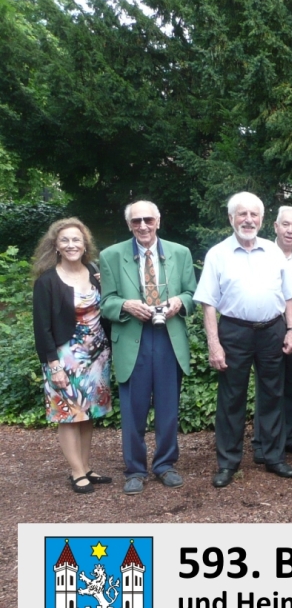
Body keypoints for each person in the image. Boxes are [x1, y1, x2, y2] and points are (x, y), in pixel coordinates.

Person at [194, 192, 292, 488]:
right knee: (231, 397)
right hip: (235, 332)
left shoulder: (274, 251)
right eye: (242, 214)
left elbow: (289, 295)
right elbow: (207, 303)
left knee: (273, 393)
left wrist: (291, 330)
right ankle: (228, 463)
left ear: (262, 220)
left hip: (272, 331)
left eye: (254, 215)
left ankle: (272, 456)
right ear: (231, 218)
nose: (248, 220)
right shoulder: (218, 254)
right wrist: (214, 344)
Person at [99, 201, 197, 494]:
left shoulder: (180, 253)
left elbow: (193, 293)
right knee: (133, 409)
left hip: (169, 337)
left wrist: (180, 302)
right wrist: (126, 305)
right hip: (132, 338)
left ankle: (165, 465)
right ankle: (135, 469)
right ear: (129, 224)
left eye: (148, 220)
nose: (143, 226)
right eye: (136, 221)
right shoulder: (111, 255)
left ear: (158, 221)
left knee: (168, 408)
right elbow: (106, 303)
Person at [32, 218, 113, 493]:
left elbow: (109, 307)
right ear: (55, 245)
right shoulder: (47, 281)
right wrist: (52, 364)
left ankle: (86, 466)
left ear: (84, 243)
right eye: (65, 240)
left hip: (97, 355)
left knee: (87, 413)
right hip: (65, 358)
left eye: (76, 240)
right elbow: (41, 328)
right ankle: (76, 471)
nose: (71, 245)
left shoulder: (94, 271)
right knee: (68, 413)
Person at [252, 206, 292, 462]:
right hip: (268, 326)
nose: (290, 230)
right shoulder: (261, 253)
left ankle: (288, 437)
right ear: (276, 227)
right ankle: (261, 442)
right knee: (268, 386)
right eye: (285, 224)